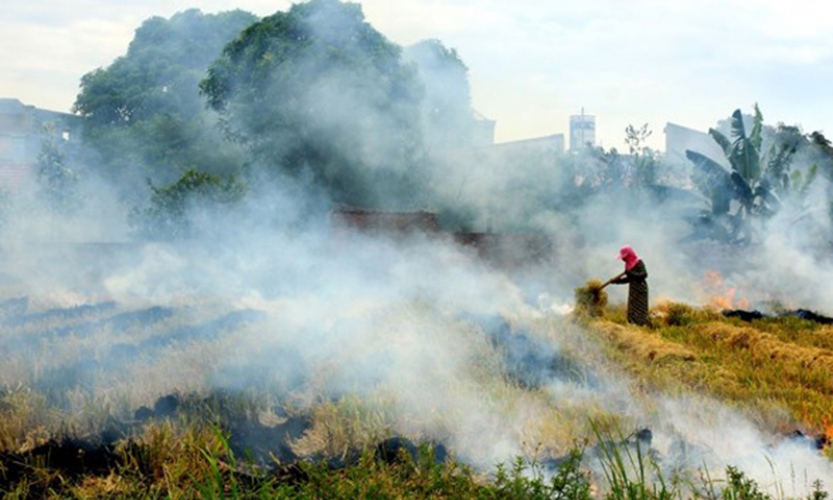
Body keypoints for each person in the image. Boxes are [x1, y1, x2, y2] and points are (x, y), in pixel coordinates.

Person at [609, 245, 650, 326]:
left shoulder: (639, 262)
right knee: (632, 308)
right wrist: (616, 281)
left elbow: (644, 275)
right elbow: (628, 279)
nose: (623, 259)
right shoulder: (628, 265)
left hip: (641, 289)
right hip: (633, 290)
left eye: (624, 257)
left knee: (640, 309)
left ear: (629, 255)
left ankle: (642, 326)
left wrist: (630, 273)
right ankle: (633, 325)